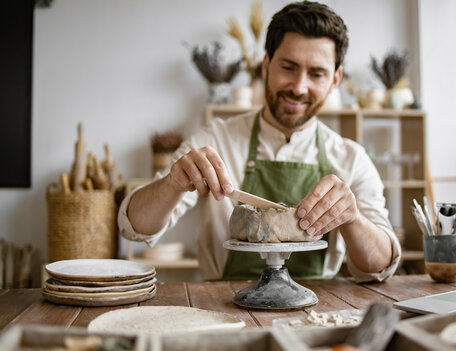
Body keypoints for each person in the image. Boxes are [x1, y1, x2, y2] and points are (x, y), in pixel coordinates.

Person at [118, 1, 401, 282]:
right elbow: (134, 227)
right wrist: (172, 184)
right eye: (288, 67)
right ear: (266, 66)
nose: (299, 87)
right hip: (225, 310)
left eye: (316, 74)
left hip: (315, 313)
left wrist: (353, 220)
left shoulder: (352, 158)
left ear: (335, 80)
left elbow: (381, 267)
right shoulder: (216, 139)